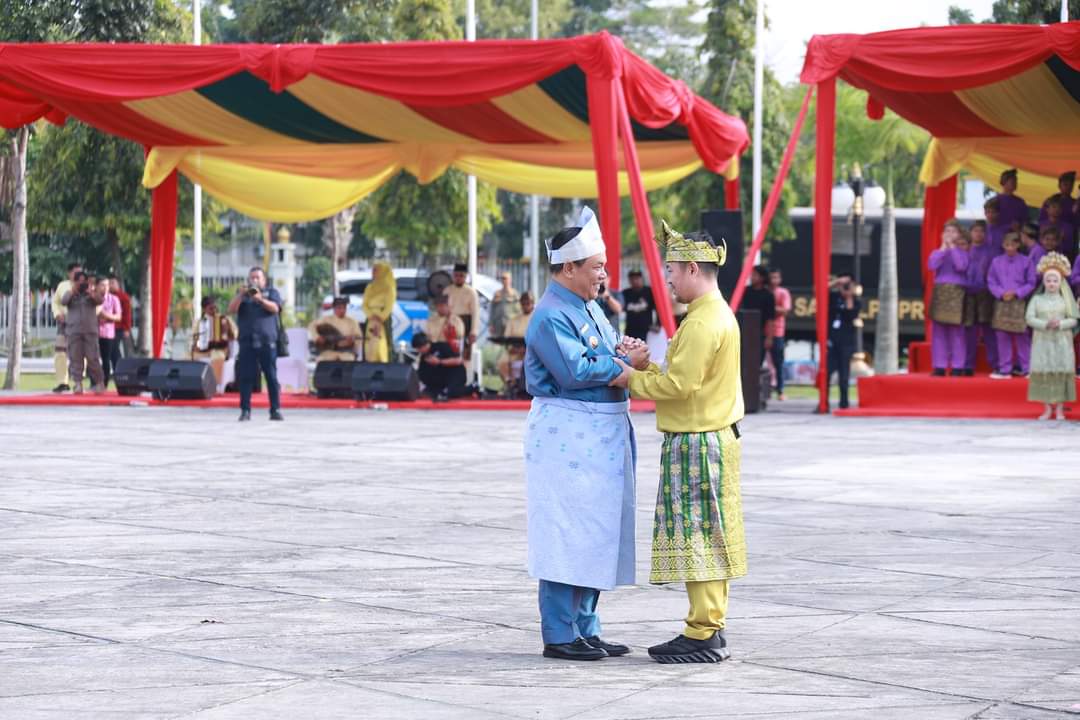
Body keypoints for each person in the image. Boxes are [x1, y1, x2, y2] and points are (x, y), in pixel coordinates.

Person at [615, 221, 746, 664]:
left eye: (671, 269)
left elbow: (680, 387)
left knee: (700, 538)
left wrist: (629, 377)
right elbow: (679, 379)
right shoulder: (712, 315)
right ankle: (708, 624)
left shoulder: (702, 323)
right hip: (710, 437)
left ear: (692, 267)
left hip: (698, 443)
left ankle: (703, 631)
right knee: (710, 534)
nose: (668, 279)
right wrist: (647, 366)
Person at [523, 206, 638, 662]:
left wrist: (625, 350)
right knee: (564, 532)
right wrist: (626, 367)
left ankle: (586, 627)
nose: (604, 275)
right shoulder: (550, 315)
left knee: (595, 530)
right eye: (597, 267)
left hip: (599, 436)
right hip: (568, 435)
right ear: (568, 268)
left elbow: (606, 352)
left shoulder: (587, 306)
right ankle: (559, 633)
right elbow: (575, 371)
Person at [1026, 253, 1078, 420]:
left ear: (1060, 282)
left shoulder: (1066, 301)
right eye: (1048, 280)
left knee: (1060, 372)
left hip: (1062, 342)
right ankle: (1047, 409)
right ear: (1044, 282)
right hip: (1042, 341)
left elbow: (1074, 319)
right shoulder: (1037, 300)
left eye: (1055, 280)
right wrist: (1044, 324)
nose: (1051, 283)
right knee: (1045, 372)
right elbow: (1029, 318)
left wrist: (1061, 324)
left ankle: (1061, 409)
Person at [228, 267, 284, 422]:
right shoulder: (243, 296)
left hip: (267, 342)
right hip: (247, 342)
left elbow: (275, 308)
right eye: (252, 277)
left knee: (271, 377)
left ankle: (275, 409)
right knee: (246, 378)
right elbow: (231, 309)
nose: (254, 280)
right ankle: (245, 410)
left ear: (264, 280)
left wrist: (259, 299)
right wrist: (241, 294)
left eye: (258, 277)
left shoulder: (272, 293)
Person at [988, 232, 1037, 379]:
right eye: (1007, 244)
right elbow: (991, 281)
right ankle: (1005, 369)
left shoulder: (1026, 261)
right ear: (1003, 245)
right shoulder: (996, 262)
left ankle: (1027, 368)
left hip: (1019, 302)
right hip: (1002, 302)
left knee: (1022, 335)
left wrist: (1017, 292)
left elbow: (1031, 282)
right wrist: (1001, 293)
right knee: (1002, 335)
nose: (1010, 247)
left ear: (1018, 245)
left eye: (1013, 244)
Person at [928, 220, 970, 376]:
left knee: (956, 331)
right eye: (947, 231)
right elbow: (932, 265)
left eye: (953, 231)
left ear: (959, 234)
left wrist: (952, 247)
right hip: (940, 291)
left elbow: (961, 266)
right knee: (938, 331)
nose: (949, 234)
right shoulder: (938, 252)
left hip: (956, 293)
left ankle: (958, 365)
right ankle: (939, 365)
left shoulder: (963, 252)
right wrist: (943, 247)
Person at [61, 270, 105, 394]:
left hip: (90, 332)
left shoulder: (91, 294)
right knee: (76, 359)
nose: (81, 284)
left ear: (87, 282)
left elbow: (100, 300)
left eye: (83, 281)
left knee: (93, 358)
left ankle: (99, 383)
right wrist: (73, 291)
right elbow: (63, 301)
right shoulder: (70, 294)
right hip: (74, 331)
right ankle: (78, 384)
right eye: (78, 281)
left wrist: (90, 292)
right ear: (74, 282)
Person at [964, 220, 997, 375]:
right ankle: (968, 365)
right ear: (970, 233)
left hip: (986, 294)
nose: (979, 233)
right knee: (970, 331)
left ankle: (995, 364)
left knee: (988, 330)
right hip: (968, 294)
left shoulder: (991, 252)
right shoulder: (965, 250)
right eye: (976, 230)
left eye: (982, 231)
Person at [827, 273, 860, 409]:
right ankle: (824, 401)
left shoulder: (856, 301)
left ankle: (844, 402)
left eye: (848, 285)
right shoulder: (833, 298)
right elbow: (819, 290)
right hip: (832, 340)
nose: (845, 287)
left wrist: (849, 296)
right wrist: (837, 282)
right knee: (827, 372)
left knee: (844, 374)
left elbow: (851, 314)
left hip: (846, 341)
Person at [192, 295, 237, 388]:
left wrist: (228, 332)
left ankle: (216, 385)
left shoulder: (224, 319)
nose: (214, 310)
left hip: (220, 349)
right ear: (204, 309)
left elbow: (235, 334)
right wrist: (198, 341)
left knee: (217, 356)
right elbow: (195, 337)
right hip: (204, 350)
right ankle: (195, 384)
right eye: (211, 308)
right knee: (189, 357)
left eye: (215, 307)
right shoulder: (200, 322)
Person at [51, 263, 81, 393]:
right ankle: (62, 382)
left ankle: (78, 381)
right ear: (69, 273)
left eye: (81, 272)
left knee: (78, 353)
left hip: (79, 324)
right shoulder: (62, 285)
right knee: (60, 353)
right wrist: (57, 314)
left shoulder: (85, 286)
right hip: (63, 324)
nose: (79, 274)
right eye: (76, 272)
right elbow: (55, 302)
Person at [411, 330, 467, 401]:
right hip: (441, 382)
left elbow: (458, 361)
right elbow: (422, 375)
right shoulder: (423, 358)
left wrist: (439, 362)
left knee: (450, 392)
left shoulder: (441, 346)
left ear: (425, 344)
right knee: (436, 394)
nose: (418, 351)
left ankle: (473, 387)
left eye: (419, 348)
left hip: (455, 375)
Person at [496, 292, 533, 391]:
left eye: (528, 303)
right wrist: (514, 349)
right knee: (502, 361)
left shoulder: (537, 318)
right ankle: (511, 385)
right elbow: (506, 339)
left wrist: (527, 350)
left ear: (532, 303)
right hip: (515, 350)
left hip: (532, 352)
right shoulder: (514, 320)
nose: (525, 306)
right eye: (523, 304)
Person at [444, 262, 480, 365]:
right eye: (456, 275)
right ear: (453, 276)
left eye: (461, 276)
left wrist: (473, 332)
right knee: (449, 351)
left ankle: (465, 378)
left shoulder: (471, 292)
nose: (459, 278)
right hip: (450, 324)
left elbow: (475, 313)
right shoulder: (447, 290)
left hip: (466, 323)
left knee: (465, 354)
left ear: (466, 276)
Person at [740, 265, 776, 367]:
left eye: (755, 275)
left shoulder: (768, 295)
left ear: (762, 278)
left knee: (756, 363)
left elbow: (770, 319)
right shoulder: (745, 291)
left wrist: (769, 338)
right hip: (743, 330)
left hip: (759, 333)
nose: (752, 277)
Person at [309, 297, 361, 362]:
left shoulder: (352, 321)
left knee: (349, 361)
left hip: (346, 351)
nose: (342, 310)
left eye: (344, 308)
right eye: (339, 308)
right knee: (322, 361)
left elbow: (358, 337)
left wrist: (352, 342)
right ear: (334, 308)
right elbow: (311, 325)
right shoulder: (326, 319)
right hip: (329, 350)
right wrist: (317, 337)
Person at [363, 262, 395, 363]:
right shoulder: (369, 287)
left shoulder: (389, 288)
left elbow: (389, 306)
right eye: (373, 270)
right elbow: (364, 304)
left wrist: (380, 317)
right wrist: (370, 315)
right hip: (371, 319)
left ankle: (384, 365)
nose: (373, 272)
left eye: (376, 270)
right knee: (370, 343)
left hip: (382, 320)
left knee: (381, 344)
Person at [769, 268, 792, 398]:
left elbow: (785, 310)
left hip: (778, 331)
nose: (773, 280)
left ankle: (781, 390)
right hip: (763, 330)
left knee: (778, 362)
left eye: (776, 277)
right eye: (771, 277)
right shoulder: (765, 291)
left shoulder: (782, 292)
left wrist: (770, 307)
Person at [95, 277, 121, 388]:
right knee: (95, 360)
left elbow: (118, 317)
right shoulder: (93, 299)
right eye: (102, 285)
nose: (105, 287)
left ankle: (105, 384)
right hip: (94, 333)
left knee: (108, 359)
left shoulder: (113, 299)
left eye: (107, 285)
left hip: (107, 334)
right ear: (97, 286)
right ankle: (96, 382)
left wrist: (106, 316)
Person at [620, 269, 656, 341]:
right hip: (630, 328)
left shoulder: (649, 292)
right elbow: (620, 308)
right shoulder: (626, 293)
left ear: (642, 279)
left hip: (647, 329)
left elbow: (658, 309)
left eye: (637, 278)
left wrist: (658, 324)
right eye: (632, 279)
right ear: (629, 280)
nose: (635, 281)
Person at [108, 277, 134, 361]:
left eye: (113, 283)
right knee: (111, 350)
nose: (111, 285)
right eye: (109, 283)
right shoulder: (106, 296)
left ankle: (118, 369)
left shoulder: (123, 297)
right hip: (108, 328)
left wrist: (126, 328)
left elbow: (127, 314)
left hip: (118, 328)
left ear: (118, 284)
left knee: (114, 349)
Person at [489, 271, 520, 338]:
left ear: (510, 280)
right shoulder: (497, 294)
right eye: (502, 278)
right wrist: (491, 324)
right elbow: (492, 310)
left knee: (510, 343)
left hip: (510, 323)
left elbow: (519, 311)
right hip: (498, 323)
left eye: (505, 278)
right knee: (498, 343)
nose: (504, 280)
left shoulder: (514, 294)